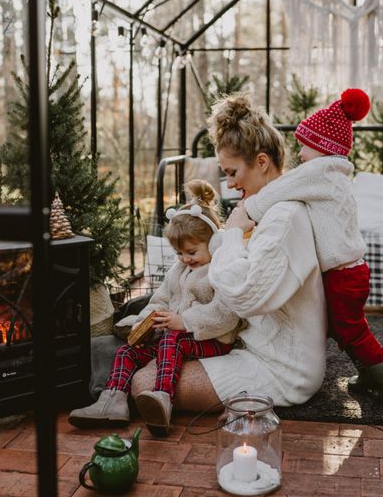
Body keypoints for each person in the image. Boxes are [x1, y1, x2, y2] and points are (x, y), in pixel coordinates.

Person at [131, 92, 327, 410]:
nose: (230, 184)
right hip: (247, 345)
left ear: (262, 162)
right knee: (148, 370)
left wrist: (232, 233)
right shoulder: (261, 210)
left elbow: (244, 295)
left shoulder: (285, 219)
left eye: (233, 172)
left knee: (144, 383)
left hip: (282, 368)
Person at [244, 88, 383, 409]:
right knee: (340, 327)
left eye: (305, 146)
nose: (300, 153)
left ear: (323, 148)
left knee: (351, 331)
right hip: (350, 271)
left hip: (344, 275)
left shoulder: (321, 171)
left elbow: (282, 187)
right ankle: (369, 375)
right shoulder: (333, 174)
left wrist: (249, 209)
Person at [68, 179, 241, 435]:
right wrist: (144, 323)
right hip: (175, 340)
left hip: (212, 340)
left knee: (174, 339)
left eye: (192, 252)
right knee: (129, 351)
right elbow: (159, 300)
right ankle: (112, 402)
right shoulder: (178, 269)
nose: (185, 259)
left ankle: (163, 398)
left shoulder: (220, 270)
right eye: (179, 253)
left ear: (214, 242)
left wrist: (184, 322)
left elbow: (227, 314)